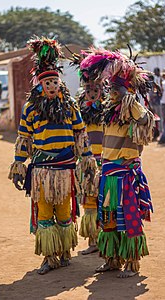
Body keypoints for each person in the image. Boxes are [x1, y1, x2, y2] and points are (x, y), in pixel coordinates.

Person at [8, 36, 97, 275]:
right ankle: (50, 256)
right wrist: (18, 164)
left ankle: (65, 250)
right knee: (44, 212)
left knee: (65, 211)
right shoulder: (31, 108)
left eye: (55, 81)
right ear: (40, 85)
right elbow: (24, 137)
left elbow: (80, 133)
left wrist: (87, 159)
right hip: (41, 169)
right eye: (47, 83)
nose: (52, 86)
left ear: (60, 83)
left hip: (65, 166)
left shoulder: (69, 106)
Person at [81, 48, 154, 278]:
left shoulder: (132, 108)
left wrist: (127, 96)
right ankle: (112, 260)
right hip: (108, 171)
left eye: (114, 89)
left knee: (128, 218)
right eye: (110, 88)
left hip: (125, 173)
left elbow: (146, 119)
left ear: (125, 90)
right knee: (109, 219)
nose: (110, 92)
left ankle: (132, 262)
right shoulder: (109, 111)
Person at [73, 49, 108, 255]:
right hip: (86, 162)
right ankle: (93, 241)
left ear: (102, 91)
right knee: (89, 200)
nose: (92, 93)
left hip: (105, 160)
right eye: (89, 90)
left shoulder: (108, 111)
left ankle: (105, 238)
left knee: (106, 200)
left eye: (96, 90)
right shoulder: (80, 112)